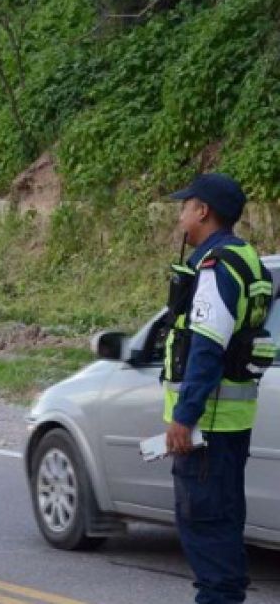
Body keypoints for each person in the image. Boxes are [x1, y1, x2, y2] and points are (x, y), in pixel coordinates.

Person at [162, 173, 273, 604]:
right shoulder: (247, 258)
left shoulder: (215, 266)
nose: (181, 216)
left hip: (206, 426)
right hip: (232, 422)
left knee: (206, 532)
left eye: (184, 206)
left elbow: (206, 348)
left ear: (203, 211)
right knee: (223, 526)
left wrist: (185, 416)